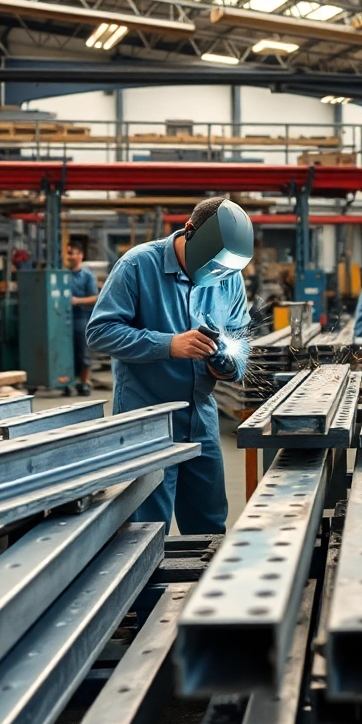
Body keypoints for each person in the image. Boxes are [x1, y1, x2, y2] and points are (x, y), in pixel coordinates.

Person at [87, 197, 253, 534]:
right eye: (213, 265)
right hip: (146, 420)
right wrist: (168, 345)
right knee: (146, 533)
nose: (218, 275)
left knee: (209, 526)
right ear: (190, 232)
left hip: (201, 419)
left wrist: (229, 364)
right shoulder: (136, 266)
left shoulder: (230, 277)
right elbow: (99, 332)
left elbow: (240, 337)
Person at [64, 241, 99, 397]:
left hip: (81, 318)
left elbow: (95, 298)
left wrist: (77, 301)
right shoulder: (63, 275)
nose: (69, 256)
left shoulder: (87, 276)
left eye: (72, 253)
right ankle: (66, 382)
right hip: (63, 318)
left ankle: (83, 382)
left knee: (82, 352)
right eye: (68, 253)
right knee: (66, 352)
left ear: (80, 255)